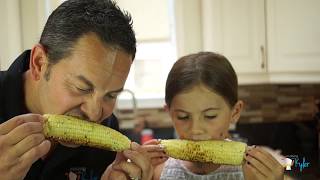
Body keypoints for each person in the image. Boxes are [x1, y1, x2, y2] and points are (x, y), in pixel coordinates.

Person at [0, 0, 163, 179]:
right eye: (82, 88)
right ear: (39, 63)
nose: (94, 115)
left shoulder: (108, 127)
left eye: (111, 95)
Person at [144, 52, 284, 180]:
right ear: (170, 113)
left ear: (234, 113)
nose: (195, 130)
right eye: (183, 117)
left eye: (210, 116)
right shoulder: (156, 171)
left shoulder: (253, 173)